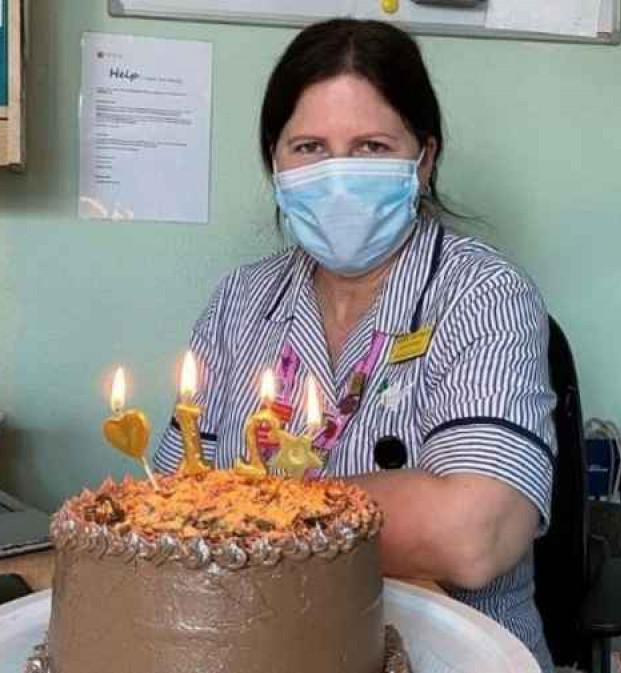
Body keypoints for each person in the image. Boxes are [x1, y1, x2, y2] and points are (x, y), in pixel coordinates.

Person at [155, 18, 557, 671]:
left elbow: (473, 534)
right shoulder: (238, 303)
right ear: (275, 163)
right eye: (310, 147)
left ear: (423, 160)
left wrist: (252, 509)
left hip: (444, 655)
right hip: (255, 647)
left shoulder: (484, 294)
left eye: (371, 146)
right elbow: (171, 504)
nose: (338, 174)